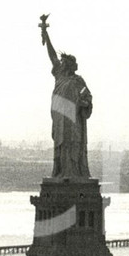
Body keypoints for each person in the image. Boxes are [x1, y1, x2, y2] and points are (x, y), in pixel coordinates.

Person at [40, 16, 93, 179]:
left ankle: (74, 173)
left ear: (70, 65)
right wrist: (44, 31)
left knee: (73, 144)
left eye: (64, 63)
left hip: (73, 120)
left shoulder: (78, 81)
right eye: (61, 62)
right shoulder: (59, 75)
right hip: (60, 118)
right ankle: (61, 171)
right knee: (61, 144)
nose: (60, 64)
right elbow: (51, 55)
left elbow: (88, 97)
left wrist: (85, 104)